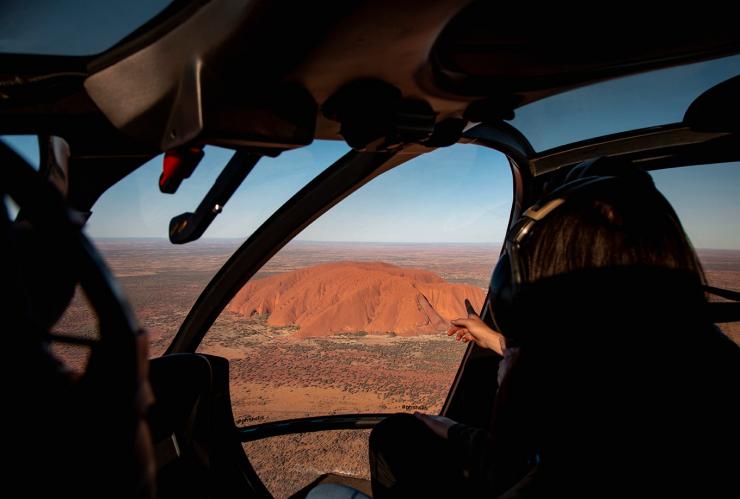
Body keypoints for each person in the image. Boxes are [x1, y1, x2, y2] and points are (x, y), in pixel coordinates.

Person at [368, 158, 739, 498]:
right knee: (403, 435)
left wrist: (514, 366)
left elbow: (537, 467)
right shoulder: (697, 360)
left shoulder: (605, 442)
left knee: (396, 440)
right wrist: (496, 345)